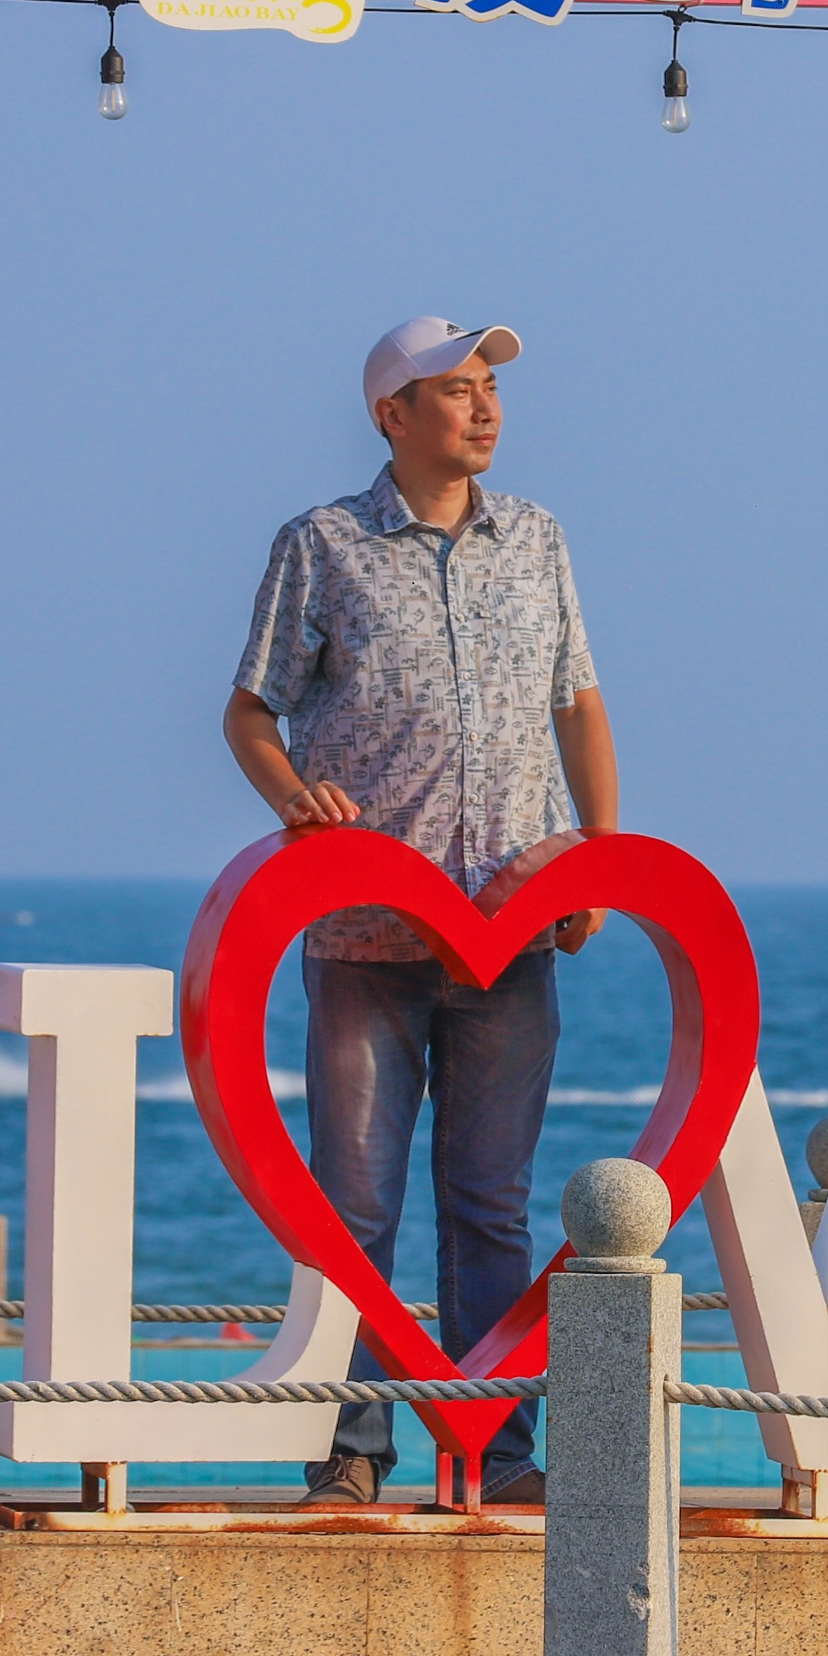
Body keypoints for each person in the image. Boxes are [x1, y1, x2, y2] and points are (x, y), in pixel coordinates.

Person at [224, 316, 619, 1508]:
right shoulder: (323, 545)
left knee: (488, 1201)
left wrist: (598, 858)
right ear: (390, 415)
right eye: (455, 390)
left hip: (513, 932)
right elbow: (251, 712)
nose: (485, 408)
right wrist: (298, 799)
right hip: (364, 938)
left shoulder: (537, 539)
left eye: (489, 387)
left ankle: (496, 1452)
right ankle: (352, 1451)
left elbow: (579, 704)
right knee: (352, 1205)